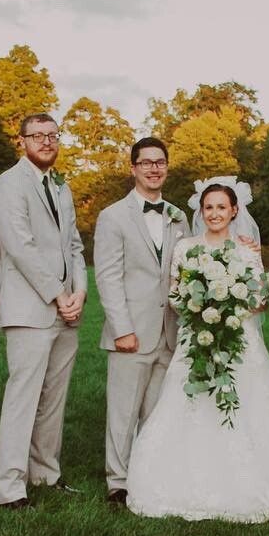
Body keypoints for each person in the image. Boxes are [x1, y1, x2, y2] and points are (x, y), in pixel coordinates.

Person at [127, 182, 269, 522]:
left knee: (245, 405)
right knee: (190, 402)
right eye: (209, 208)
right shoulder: (185, 248)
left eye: (222, 207)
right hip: (196, 337)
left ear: (234, 211)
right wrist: (199, 306)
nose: (214, 214)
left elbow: (260, 300)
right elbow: (176, 293)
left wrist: (229, 307)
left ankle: (248, 482)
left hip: (239, 340)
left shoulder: (247, 250)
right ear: (201, 211)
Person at [0, 113, 87, 509]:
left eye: (52, 135)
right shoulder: (8, 184)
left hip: (66, 309)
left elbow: (75, 246)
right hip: (30, 309)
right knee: (23, 397)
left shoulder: (61, 187)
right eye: (38, 136)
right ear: (22, 140)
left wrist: (79, 291)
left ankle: (45, 472)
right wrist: (56, 293)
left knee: (54, 397)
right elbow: (20, 246)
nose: (46, 142)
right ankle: (10, 486)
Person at [94, 136, 187, 506]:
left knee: (157, 411)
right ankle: (117, 482)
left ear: (166, 166)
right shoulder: (112, 216)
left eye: (160, 162)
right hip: (131, 332)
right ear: (132, 168)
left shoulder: (179, 217)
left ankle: (147, 476)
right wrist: (122, 329)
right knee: (123, 410)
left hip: (169, 331)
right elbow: (107, 276)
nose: (153, 168)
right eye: (146, 162)